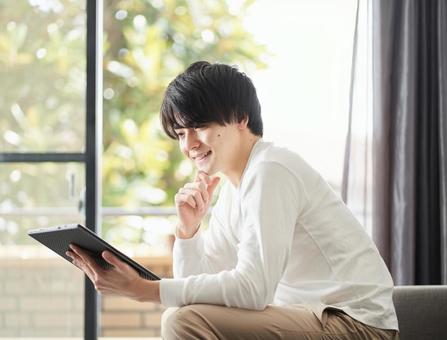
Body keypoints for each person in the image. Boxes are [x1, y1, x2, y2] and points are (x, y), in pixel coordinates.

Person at [66, 61, 400, 339]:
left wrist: (144, 290)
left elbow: (253, 290)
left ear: (240, 118)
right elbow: (195, 290)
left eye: (199, 126)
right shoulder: (233, 188)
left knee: (181, 322)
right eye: (181, 134)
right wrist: (189, 231)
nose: (190, 144)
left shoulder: (271, 170)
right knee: (184, 316)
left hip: (355, 324)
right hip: (307, 316)